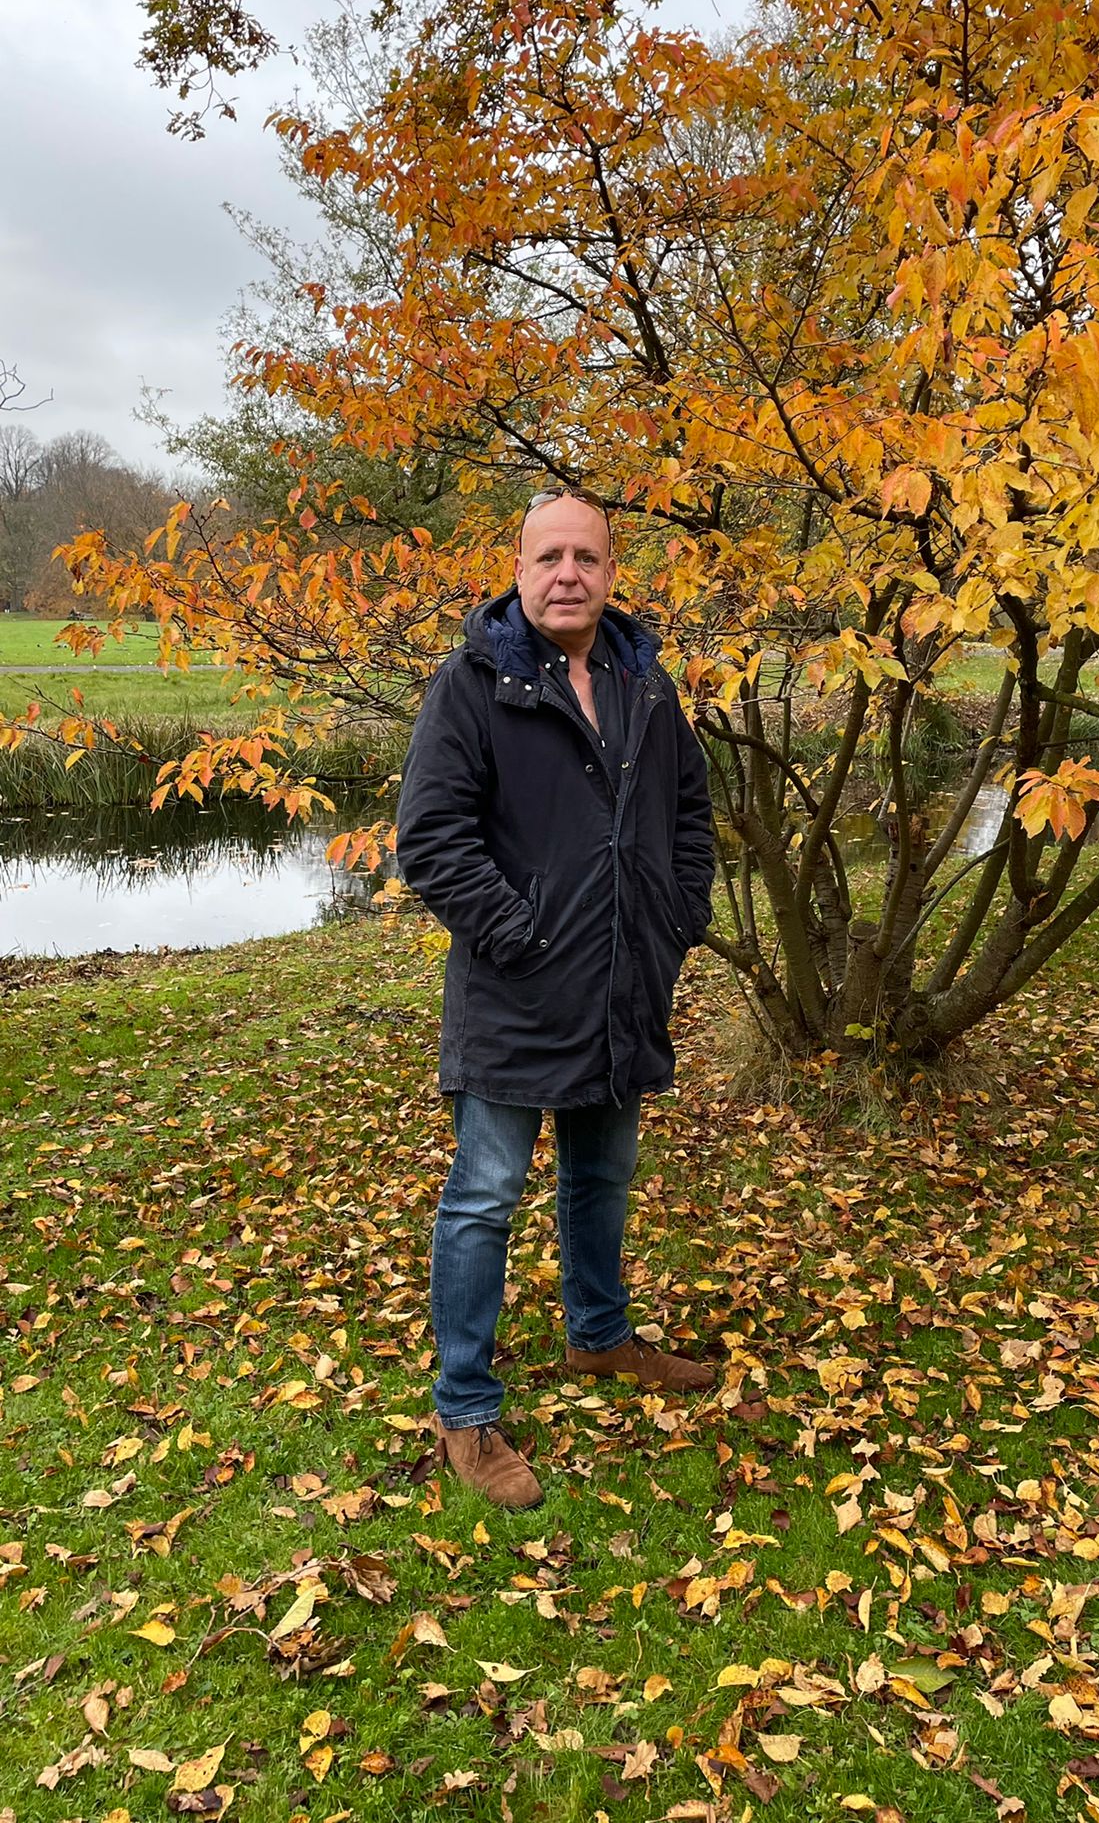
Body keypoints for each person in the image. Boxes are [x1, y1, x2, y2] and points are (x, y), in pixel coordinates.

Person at [395, 487, 715, 1507]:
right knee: (484, 1197)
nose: (567, 574)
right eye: (549, 557)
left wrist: (677, 916)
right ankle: (464, 1408)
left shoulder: (643, 682)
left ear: (610, 572)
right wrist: (522, 935)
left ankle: (599, 1336)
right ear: (520, 572)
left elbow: (689, 809)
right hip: (514, 994)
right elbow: (431, 841)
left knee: (601, 1176)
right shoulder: (472, 686)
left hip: (623, 985)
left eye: (586, 556)